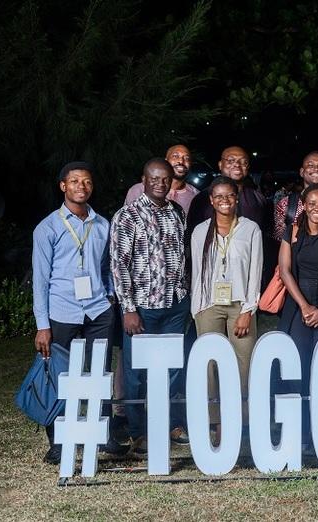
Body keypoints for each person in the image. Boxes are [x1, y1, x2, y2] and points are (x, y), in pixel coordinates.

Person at [32, 161, 118, 464]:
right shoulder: (48, 227)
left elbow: (107, 267)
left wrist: (108, 295)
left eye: (87, 182)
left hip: (97, 311)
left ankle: (103, 435)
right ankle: (58, 440)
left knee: (100, 373)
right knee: (60, 376)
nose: (81, 186)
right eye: (75, 181)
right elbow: (40, 279)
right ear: (63, 186)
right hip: (62, 312)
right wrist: (43, 325)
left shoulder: (102, 224)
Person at [111, 158, 190, 454]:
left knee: (171, 370)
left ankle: (168, 424)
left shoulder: (178, 212)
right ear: (143, 180)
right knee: (135, 373)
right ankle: (137, 431)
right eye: (154, 178)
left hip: (175, 305)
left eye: (165, 179)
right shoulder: (127, 216)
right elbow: (119, 265)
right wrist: (128, 309)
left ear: (171, 182)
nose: (160, 183)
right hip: (141, 308)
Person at [190, 176, 262, 442]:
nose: (224, 201)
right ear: (211, 200)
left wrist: (248, 309)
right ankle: (215, 421)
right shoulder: (200, 231)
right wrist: (197, 308)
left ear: (237, 198)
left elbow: (255, 270)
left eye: (229, 196)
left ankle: (242, 422)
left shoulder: (250, 229)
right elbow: (197, 272)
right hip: (209, 304)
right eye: (218, 196)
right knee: (210, 364)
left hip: (240, 304)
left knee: (244, 362)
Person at [277, 184, 318, 449]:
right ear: (304, 206)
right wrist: (305, 307)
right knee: (299, 369)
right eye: (312, 203)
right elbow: (284, 271)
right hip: (298, 307)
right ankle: (300, 431)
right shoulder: (291, 232)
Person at [125, 144, 199, 215]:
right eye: (175, 156)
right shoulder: (139, 189)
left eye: (187, 158)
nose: (181, 161)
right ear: (166, 160)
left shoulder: (196, 196)